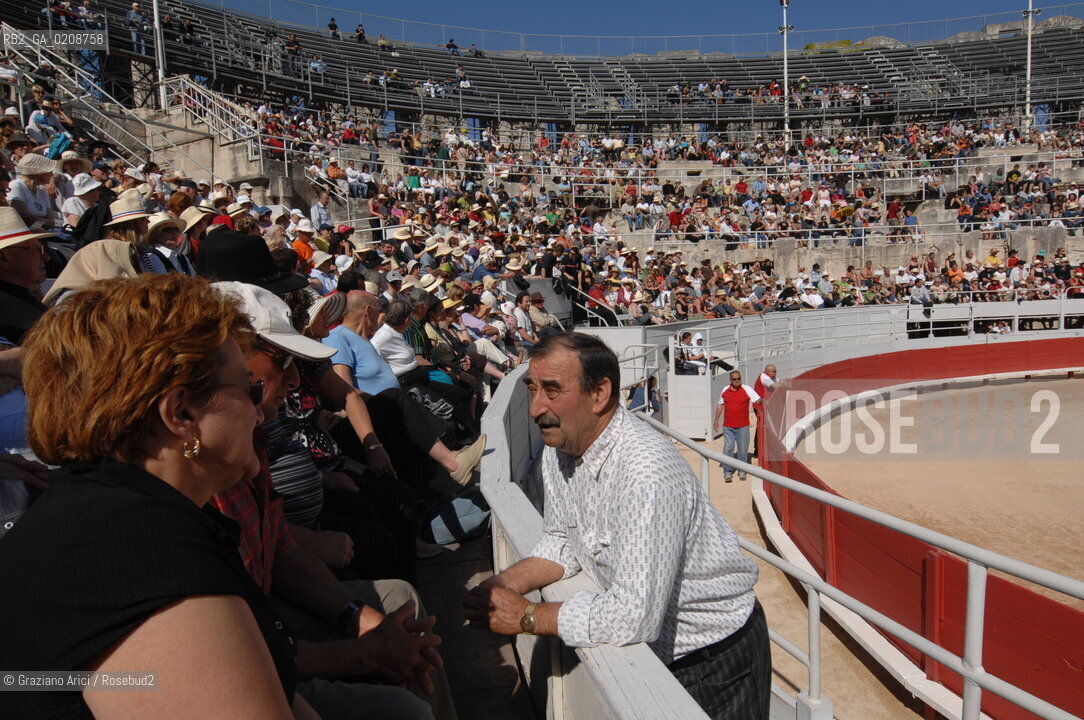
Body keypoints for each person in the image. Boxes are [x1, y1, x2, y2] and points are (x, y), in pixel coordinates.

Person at [0, 274, 314, 718]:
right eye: (248, 387)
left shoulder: (121, 511)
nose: (255, 410)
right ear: (182, 413)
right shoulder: (137, 551)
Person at [464, 333, 767, 720]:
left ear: (600, 393)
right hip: (662, 655)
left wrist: (527, 616)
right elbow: (560, 542)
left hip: (714, 658)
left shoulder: (645, 470)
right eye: (532, 389)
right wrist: (503, 586)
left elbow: (633, 615)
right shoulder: (561, 447)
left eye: (552, 390)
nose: (535, 408)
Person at [0, 207, 52, 345]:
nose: (45, 256)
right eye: (37, 249)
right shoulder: (15, 316)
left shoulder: (17, 300)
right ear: (4, 258)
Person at [713, 370, 761, 482]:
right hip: (728, 426)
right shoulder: (725, 389)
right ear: (730, 380)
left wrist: (764, 401)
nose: (737, 381)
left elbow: (757, 399)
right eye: (734, 379)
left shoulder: (746, 388)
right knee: (728, 448)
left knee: (743, 449)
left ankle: (742, 470)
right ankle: (727, 471)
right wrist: (716, 420)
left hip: (743, 426)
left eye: (739, 378)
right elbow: (720, 405)